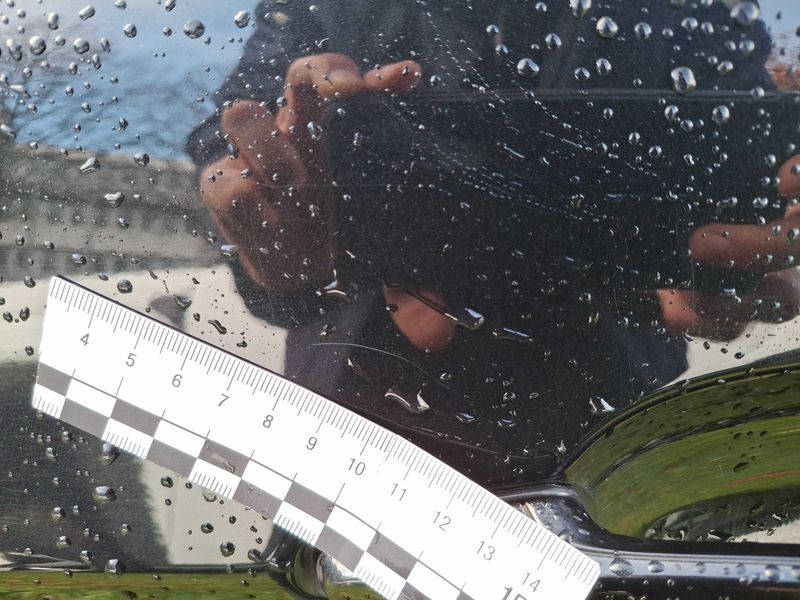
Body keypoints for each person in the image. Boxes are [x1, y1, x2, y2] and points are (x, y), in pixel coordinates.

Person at [189, 0, 800, 485]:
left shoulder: (700, 13)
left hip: (601, 429)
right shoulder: (690, 15)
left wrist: (740, 283)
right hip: (369, 424)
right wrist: (273, 244)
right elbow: (239, 164)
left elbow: (753, 181)